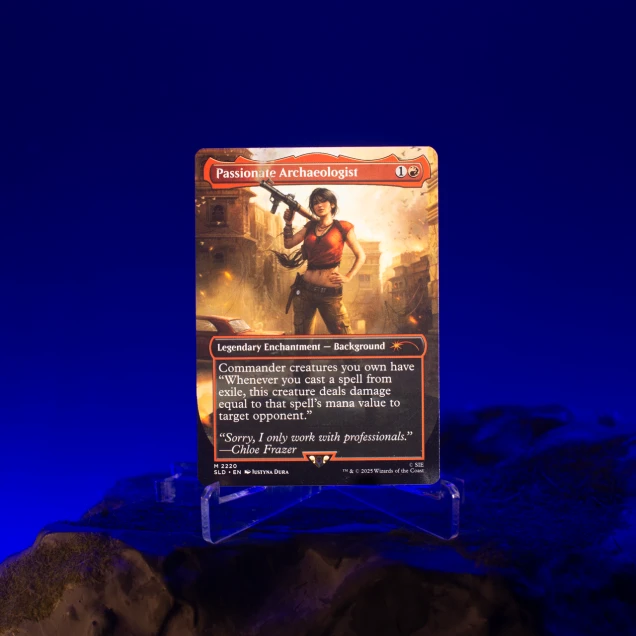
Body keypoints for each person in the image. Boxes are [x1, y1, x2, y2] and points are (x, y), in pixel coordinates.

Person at [273, 188, 366, 335]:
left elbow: (361, 255)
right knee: (302, 342)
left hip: (330, 295)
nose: (319, 205)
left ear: (332, 204)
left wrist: (348, 276)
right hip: (304, 292)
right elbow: (289, 243)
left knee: (344, 339)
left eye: (323, 201)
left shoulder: (342, 227)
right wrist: (288, 223)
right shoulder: (310, 227)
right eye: (315, 203)